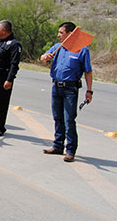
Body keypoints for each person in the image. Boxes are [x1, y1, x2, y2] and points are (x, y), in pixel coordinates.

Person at [40, 22, 93, 162]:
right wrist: (45, 58)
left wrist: (89, 90)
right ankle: (58, 145)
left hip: (70, 89)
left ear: (70, 34)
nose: (58, 35)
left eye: (61, 33)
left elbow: (88, 71)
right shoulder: (58, 48)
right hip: (56, 87)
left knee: (69, 119)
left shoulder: (82, 50)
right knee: (57, 117)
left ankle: (70, 150)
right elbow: (43, 57)